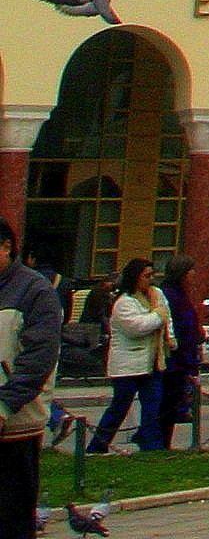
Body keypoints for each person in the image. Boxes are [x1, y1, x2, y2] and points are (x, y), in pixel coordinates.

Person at [0, 217, 62, 539]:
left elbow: (39, 357)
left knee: (10, 519)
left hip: (15, 427)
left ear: (6, 247)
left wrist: (4, 405)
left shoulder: (34, 290)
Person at [85, 258, 169, 454]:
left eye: (152, 275)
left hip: (151, 363)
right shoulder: (123, 303)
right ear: (135, 277)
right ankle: (98, 445)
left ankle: (152, 447)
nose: (151, 279)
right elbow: (137, 327)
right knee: (120, 406)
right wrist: (158, 316)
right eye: (147, 275)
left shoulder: (154, 297)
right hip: (127, 366)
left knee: (152, 407)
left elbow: (167, 318)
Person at [160, 254, 203, 451]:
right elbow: (181, 328)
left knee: (172, 402)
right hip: (175, 359)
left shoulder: (180, 294)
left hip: (182, 357)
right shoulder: (171, 295)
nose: (194, 274)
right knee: (168, 403)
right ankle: (160, 443)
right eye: (191, 270)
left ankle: (163, 442)